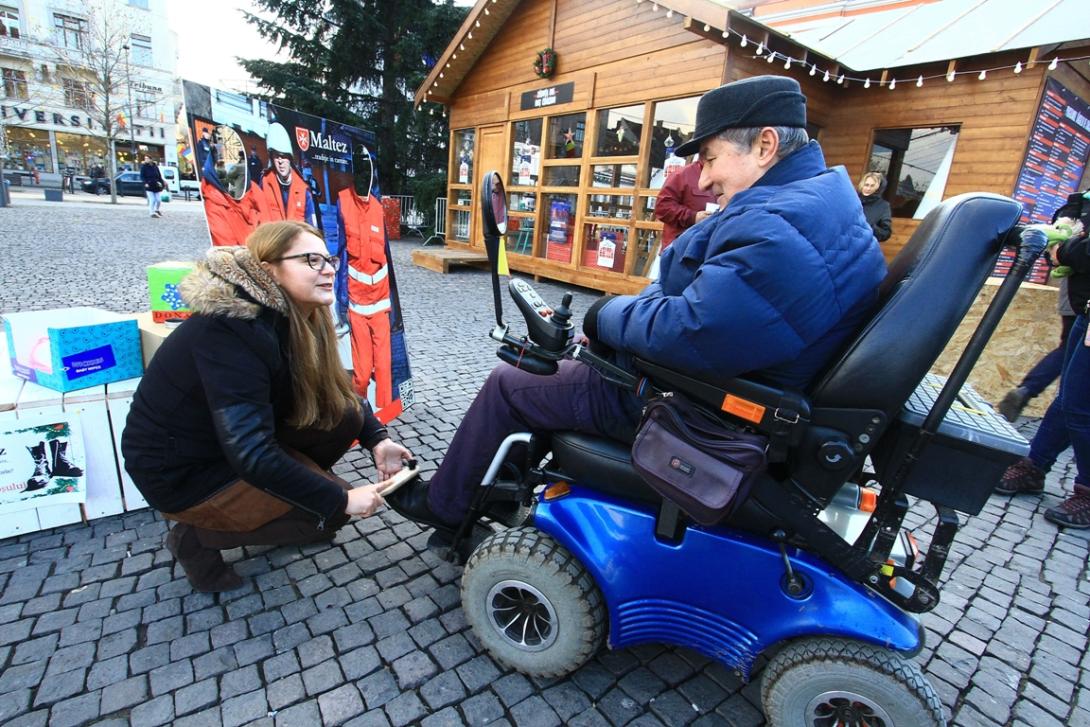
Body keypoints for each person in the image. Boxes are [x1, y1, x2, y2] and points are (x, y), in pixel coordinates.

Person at [387, 75, 887, 531]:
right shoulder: (815, 203)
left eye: (710, 158)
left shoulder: (781, 227)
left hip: (692, 406)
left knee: (510, 383)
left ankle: (446, 507)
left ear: (765, 145)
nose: (706, 179)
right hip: (722, 387)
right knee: (556, 366)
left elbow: (692, 329)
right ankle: (495, 490)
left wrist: (604, 315)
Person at [121, 221, 412, 591]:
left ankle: (286, 503)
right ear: (269, 268)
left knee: (347, 415)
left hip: (224, 444)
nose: (328, 269)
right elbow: (251, 452)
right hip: (181, 471)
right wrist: (339, 498)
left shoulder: (295, 315)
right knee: (326, 515)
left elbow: (338, 393)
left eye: (329, 259)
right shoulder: (230, 329)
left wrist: (378, 439)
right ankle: (194, 538)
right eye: (311, 260)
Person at [995, 190, 1090, 529]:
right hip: (1086, 309)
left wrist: (1066, 249)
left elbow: (1080, 249)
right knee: (1069, 399)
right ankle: (1034, 465)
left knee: (1080, 405)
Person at [996, 279, 1074, 422]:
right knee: (1072, 352)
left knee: (1068, 349)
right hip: (1081, 301)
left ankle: (1027, 389)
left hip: (1073, 296)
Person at [260, 122, 317, 225]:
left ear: (290, 159)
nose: (280, 161)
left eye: (284, 156)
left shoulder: (303, 189)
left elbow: (312, 228)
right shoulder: (265, 183)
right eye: (277, 156)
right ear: (272, 159)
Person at [654, 159, 717, 249]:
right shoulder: (682, 174)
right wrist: (693, 217)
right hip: (678, 251)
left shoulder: (723, 176)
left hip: (707, 250)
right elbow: (662, 208)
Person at [857, 171, 892, 242]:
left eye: (872, 186)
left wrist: (871, 227)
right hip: (843, 244)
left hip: (864, 246)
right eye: (866, 185)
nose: (868, 188)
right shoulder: (853, 199)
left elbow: (886, 233)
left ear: (878, 188)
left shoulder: (883, 206)